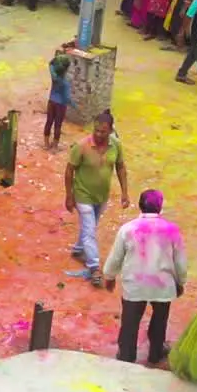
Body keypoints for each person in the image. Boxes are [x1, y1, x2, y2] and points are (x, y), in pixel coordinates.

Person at [103, 190, 188, 364]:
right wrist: (180, 282)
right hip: (163, 284)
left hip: (135, 285)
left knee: (130, 322)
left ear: (140, 205)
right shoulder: (172, 230)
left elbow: (116, 257)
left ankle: (127, 355)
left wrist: (109, 276)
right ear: (160, 207)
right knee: (160, 321)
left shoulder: (128, 229)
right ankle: (155, 353)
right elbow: (180, 260)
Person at [64, 110, 130, 282]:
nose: (99, 134)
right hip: (82, 194)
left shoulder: (115, 145)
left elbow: (120, 167)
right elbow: (69, 170)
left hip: (101, 197)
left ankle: (78, 250)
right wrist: (69, 196)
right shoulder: (82, 147)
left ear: (110, 130)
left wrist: (125, 193)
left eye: (103, 131)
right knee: (89, 229)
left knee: (90, 227)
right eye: (96, 130)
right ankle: (94, 268)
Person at [44, 54, 72, 149]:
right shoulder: (66, 83)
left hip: (51, 102)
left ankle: (46, 144)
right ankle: (55, 147)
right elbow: (67, 98)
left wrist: (57, 58)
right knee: (58, 125)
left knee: (49, 122)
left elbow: (50, 63)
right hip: (61, 105)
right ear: (66, 69)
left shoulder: (54, 77)